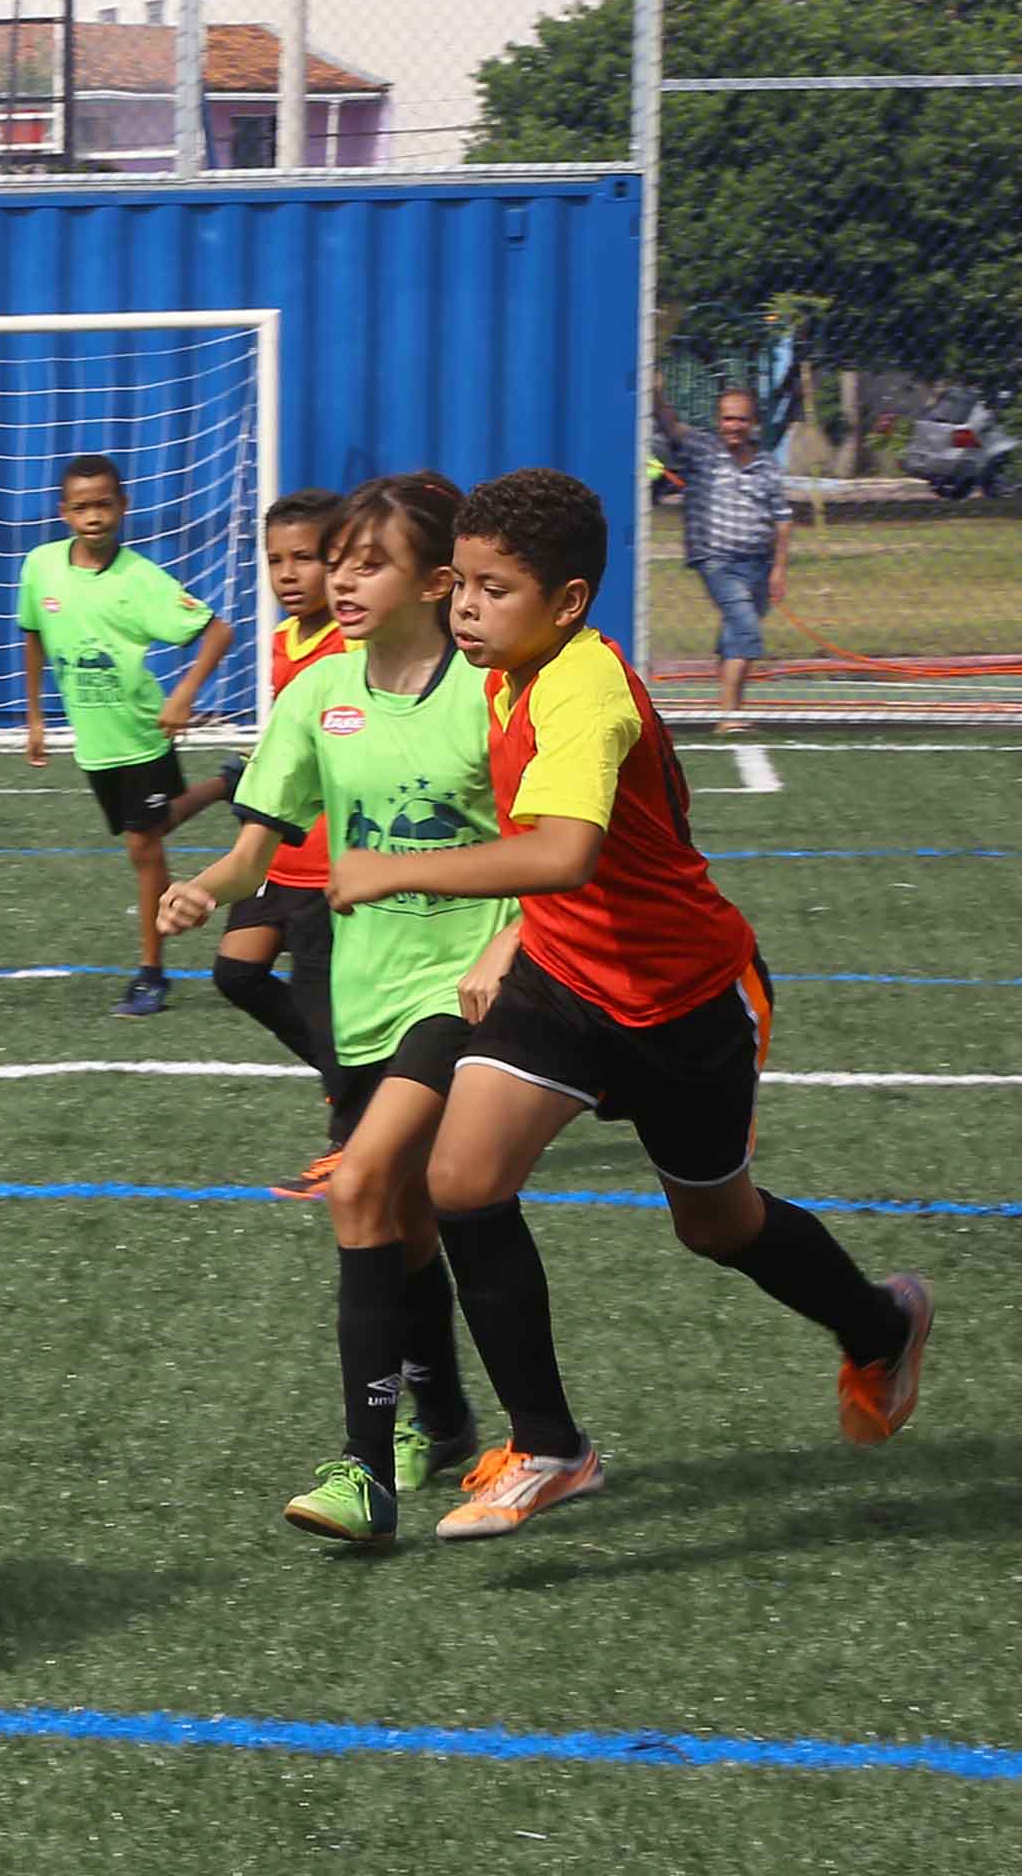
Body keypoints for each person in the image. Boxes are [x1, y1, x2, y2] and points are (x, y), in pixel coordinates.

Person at [331, 467, 932, 1541]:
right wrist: (514, 933)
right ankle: (550, 1443)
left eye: (493, 588)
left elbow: (565, 850)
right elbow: (553, 868)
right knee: (461, 1179)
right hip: (562, 981)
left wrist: (395, 869)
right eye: (459, 583)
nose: (466, 606)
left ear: (567, 604)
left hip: (686, 998)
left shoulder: (582, 687)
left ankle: (880, 1321)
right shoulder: (507, 669)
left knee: (719, 1225)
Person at [160, 473, 492, 1545]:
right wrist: (207, 887)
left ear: (438, 583)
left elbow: (551, 844)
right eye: (336, 559)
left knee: (359, 1184)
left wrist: (510, 946)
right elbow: (261, 839)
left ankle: (366, 1473)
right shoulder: (317, 695)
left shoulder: (489, 693)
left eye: (370, 561)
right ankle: (444, 1420)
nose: (343, 578)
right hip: (364, 989)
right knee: (401, 1218)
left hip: (468, 986)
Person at [19, 454, 240, 1017]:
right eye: (82, 506)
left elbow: (218, 630)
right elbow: (34, 636)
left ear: (123, 507)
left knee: (144, 848)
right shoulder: (40, 567)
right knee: (150, 828)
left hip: (142, 736)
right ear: (64, 512)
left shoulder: (141, 580)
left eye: (104, 504)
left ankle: (151, 973)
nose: (94, 515)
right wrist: (37, 717)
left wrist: (184, 694)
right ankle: (225, 783)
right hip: (94, 743)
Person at [215, 489, 348, 1196]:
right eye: (276, 560)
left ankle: (348, 1147)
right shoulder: (279, 645)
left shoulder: (354, 645)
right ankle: (353, 1084)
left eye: (308, 558)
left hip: (331, 862)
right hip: (277, 853)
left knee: (321, 998)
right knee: (236, 973)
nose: (290, 574)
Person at [653, 387, 790, 731]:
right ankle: (728, 716)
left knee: (735, 635)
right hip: (716, 559)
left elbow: (783, 519)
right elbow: (670, 425)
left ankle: (735, 710)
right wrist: (654, 388)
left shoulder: (767, 466)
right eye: (728, 418)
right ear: (718, 421)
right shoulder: (703, 451)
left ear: (753, 423)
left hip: (759, 562)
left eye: (741, 419)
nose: (734, 425)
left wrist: (778, 570)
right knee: (745, 627)